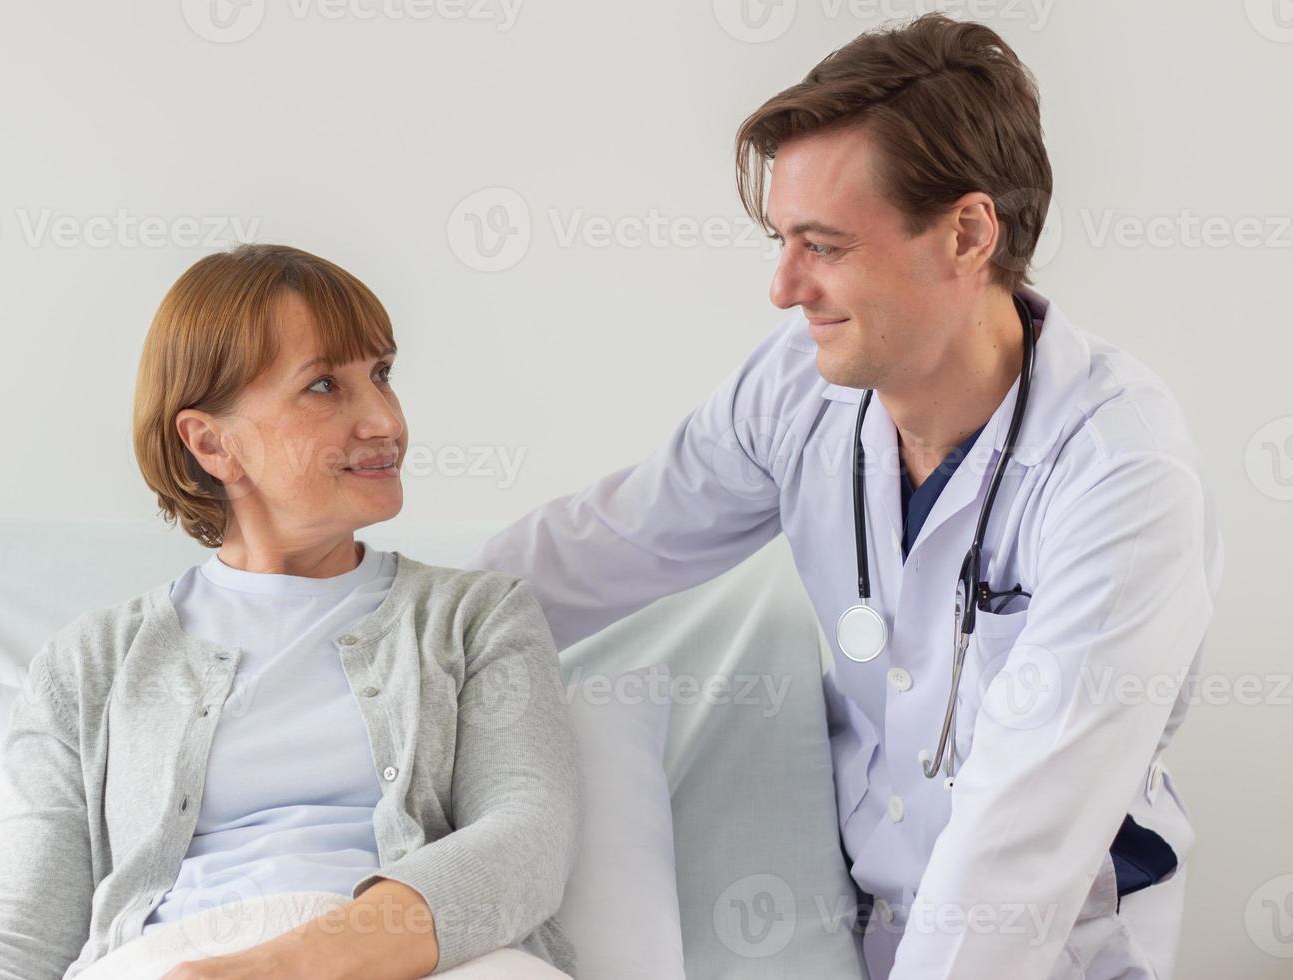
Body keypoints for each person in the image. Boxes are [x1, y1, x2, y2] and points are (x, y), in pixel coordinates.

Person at [468, 14, 1221, 979]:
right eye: (782, 240)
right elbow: (597, 548)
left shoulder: (1121, 475)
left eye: (822, 246)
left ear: (967, 232)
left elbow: (1017, 855)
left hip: (1048, 950)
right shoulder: (798, 389)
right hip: (843, 919)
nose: (784, 288)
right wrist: (355, 629)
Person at [0, 244, 582, 980]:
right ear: (212, 443)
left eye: (382, 375)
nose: (384, 421)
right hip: (170, 961)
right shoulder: (92, 665)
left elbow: (527, 841)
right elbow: (13, 941)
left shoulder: (477, 618)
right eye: (325, 385)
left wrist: (286, 967)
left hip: (427, 962)